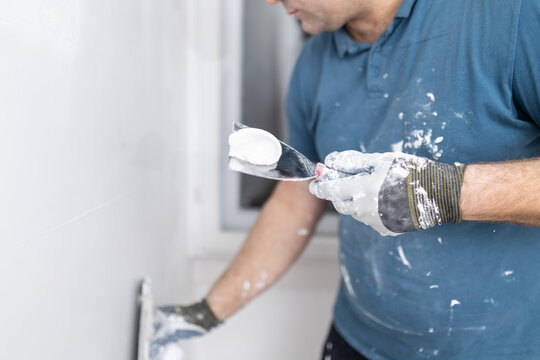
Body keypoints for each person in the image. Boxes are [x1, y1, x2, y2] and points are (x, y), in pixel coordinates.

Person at [152, 0, 540, 359]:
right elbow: (295, 202)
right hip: (358, 340)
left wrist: (442, 193)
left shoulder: (510, 17)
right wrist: (204, 313)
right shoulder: (313, 65)